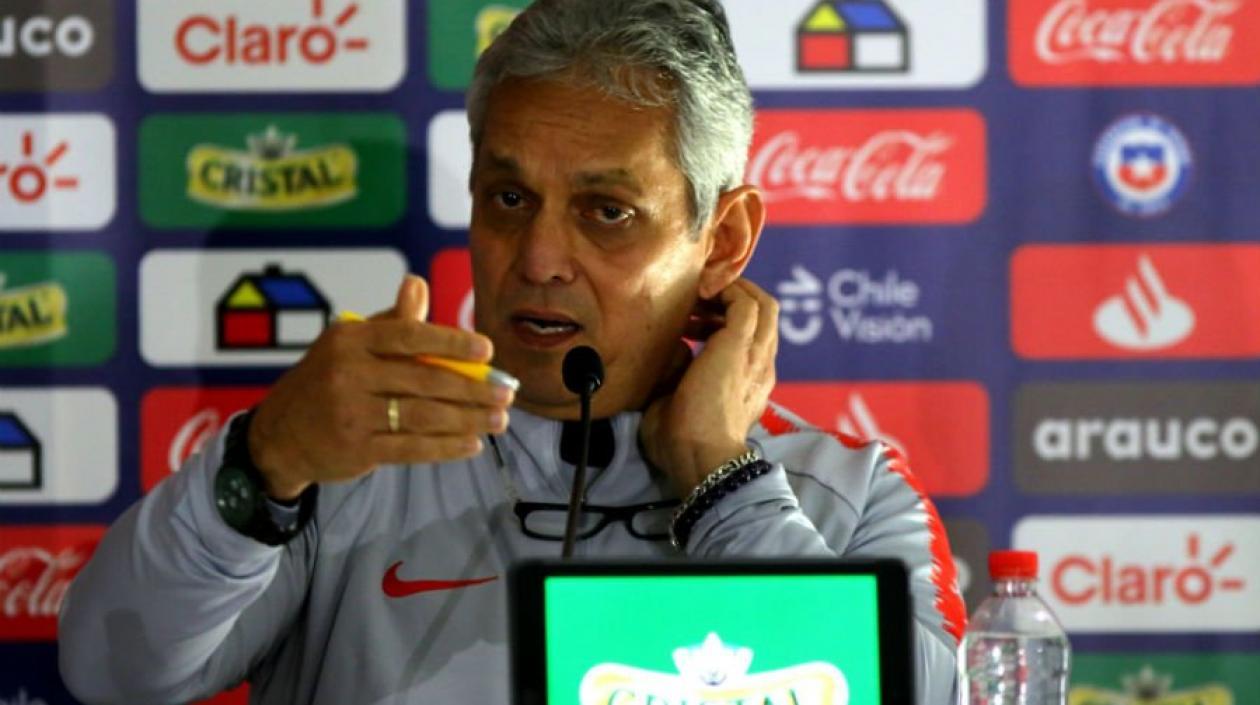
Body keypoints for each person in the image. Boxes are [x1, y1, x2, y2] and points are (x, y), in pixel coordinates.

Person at [59, 1, 965, 703]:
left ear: (722, 239)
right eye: (507, 199)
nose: (537, 260)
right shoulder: (339, 458)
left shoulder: (848, 492)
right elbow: (111, 672)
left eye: (607, 212)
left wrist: (720, 480)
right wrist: (264, 463)